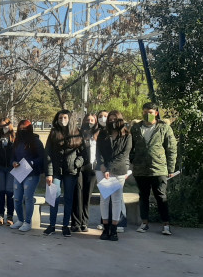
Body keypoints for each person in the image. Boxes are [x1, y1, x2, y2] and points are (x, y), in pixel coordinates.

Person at [130, 102, 177, 235]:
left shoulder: (164, 128)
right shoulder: (136, 128)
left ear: (156, 113)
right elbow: (130, 146)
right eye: (145, 112)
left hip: (159, 168)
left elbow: (171, 148)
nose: (147, 114)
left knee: (161, 196)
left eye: (150, 112)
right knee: (143, 196)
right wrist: (133, 159)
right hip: (141, 169)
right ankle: (144, 223)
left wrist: (171, 168)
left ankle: (166, 224)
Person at [44, 110, 85, 237]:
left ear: (69, 119)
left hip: (71, 172)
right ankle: (51, 225)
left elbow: (83, 155)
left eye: (65, 117)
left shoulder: (77, 133)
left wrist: (76, 164)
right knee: (53, 198)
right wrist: (49, 174)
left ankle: (65, 226)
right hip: (55, 172)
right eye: (60, 118)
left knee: (68, 199)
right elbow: (48, 154)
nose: (62, 120)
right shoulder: (53, 133)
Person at [97, 111, 132, 241]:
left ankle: (114, 229)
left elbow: (123, 155)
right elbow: (99, 151)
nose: (112, 122)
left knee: (117, 200)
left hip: (118, 170)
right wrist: (102, 165)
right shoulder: (103, 134)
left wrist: (109, 168)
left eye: (114, 119)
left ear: (120, 120)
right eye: (109, 120)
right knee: (104, 199)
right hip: (103, 170)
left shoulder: (127, 135)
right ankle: (106, 229)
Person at [11, 120, 44, 232]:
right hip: (19, 172)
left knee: (28, 197)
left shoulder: (36, 141)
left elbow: (42, 158)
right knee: (16, 198)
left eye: (25, 129)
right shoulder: (17, 141)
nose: (23, 131)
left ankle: (28, 222)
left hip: (32, 173)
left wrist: (32, 163)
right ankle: (20, 220)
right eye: (21, 129)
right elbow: (13, 156)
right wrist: (14, 162)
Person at [71, 112, 102, 233]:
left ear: (95, 122)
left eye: (92, 121)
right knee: (77, 193)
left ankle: (84, 222)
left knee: (87, 195)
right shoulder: (78, 133)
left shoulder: (99, 134)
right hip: (79, 167)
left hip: (92, 168)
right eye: (87, 120)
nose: (89, 122)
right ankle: (75, 222)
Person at [0, 118, 15, 227]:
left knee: (10, 192)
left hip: (11, 168)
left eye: (5, 125)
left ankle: (10, 216)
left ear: (10, 125)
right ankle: (1, 216)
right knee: (1, 191)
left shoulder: (14, 136)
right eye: (1, 125)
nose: (3, 127)